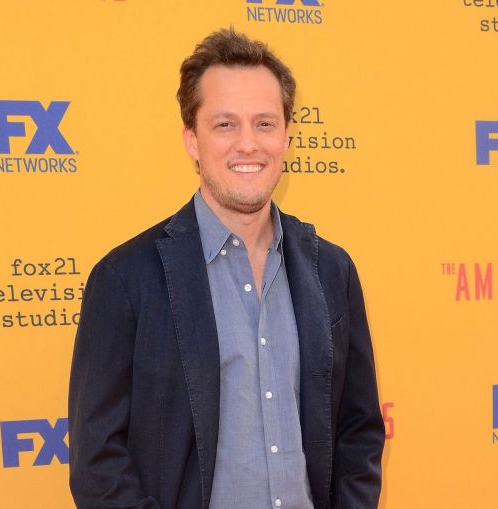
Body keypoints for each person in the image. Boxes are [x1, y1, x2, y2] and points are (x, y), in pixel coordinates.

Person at [69, 28, 384, 509]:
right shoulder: (126, 279)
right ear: (192, 140)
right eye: (224, 125)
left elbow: (358, 431)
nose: (248, 144)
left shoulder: (332, 270)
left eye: (264, 123)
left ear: (287, 136)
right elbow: (97, 464)